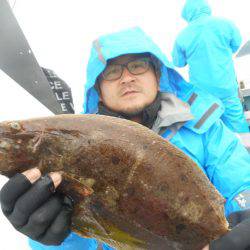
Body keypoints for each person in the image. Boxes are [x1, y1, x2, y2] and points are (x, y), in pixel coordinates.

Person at [1, 27, 250, 250]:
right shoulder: (73, 141)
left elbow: (243, 186)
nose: (127, 77)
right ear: (97, 88)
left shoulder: (208, 131)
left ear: (157, 73)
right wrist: (56, 238)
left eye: (138, 65)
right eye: (112, 71)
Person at [172, 0, 249, 133]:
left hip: (203, 96)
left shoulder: (182, 36)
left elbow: (178, 62)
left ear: (187, 14)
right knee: (239, 129)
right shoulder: (225, 24)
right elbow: (236, 44)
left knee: (211, 132)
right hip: (227, 89)